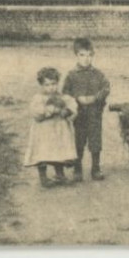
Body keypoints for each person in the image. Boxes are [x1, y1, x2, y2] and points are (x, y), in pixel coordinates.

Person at [62, 37, 111, 182]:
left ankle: (95, 168)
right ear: (76, 55)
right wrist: (77, 98)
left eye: (89, 55)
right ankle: (78, 169)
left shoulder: (98, 74)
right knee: (79, 141)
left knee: (95, 140)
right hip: (79, 115)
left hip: (94, 113)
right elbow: (66, 92)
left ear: (93, 55)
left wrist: (95, 98)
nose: (86, 59)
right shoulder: (71, 75)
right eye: (82, 55)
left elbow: (106, 88)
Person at [23, 66, 77, 188]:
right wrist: (49, 110)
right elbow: (35, 112)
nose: (51, 87)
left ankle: (60, 174)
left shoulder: (62, 97)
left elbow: (72, 105)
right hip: (43, 131)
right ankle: (43, 177)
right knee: (43, 153)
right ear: (41, 85)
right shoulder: (38, 98)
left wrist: (66, 111)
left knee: (59, 151)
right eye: (47, 85)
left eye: (53, 84)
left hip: (58, 130)